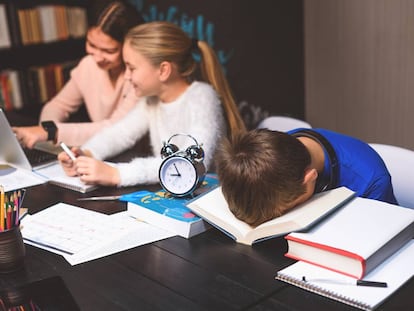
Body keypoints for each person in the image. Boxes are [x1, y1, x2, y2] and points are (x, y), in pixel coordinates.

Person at [58, 21, 246, 186]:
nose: (127, 77)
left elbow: (188, 162)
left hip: (206, 199)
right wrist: (87, 154)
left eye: (131, 68)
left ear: (163, 70)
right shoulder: (151, 100)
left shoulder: (202, 98)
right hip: (174, 193)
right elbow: (120, 133)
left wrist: (117, 174)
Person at [13, 0, 145, 148]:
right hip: (102, 151)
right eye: (92, 45)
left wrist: (50, 132)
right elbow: (58, 105)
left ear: (130, 45)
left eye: (109, 51)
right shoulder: (88, 65)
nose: (97, 57)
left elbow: (116, 128)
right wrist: (46, 132)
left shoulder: (139, 76)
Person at [215, 128, 398, 227]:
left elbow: (379, 237)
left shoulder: (372, 180)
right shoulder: (273, 153)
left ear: (310, 179)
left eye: (281, 213)